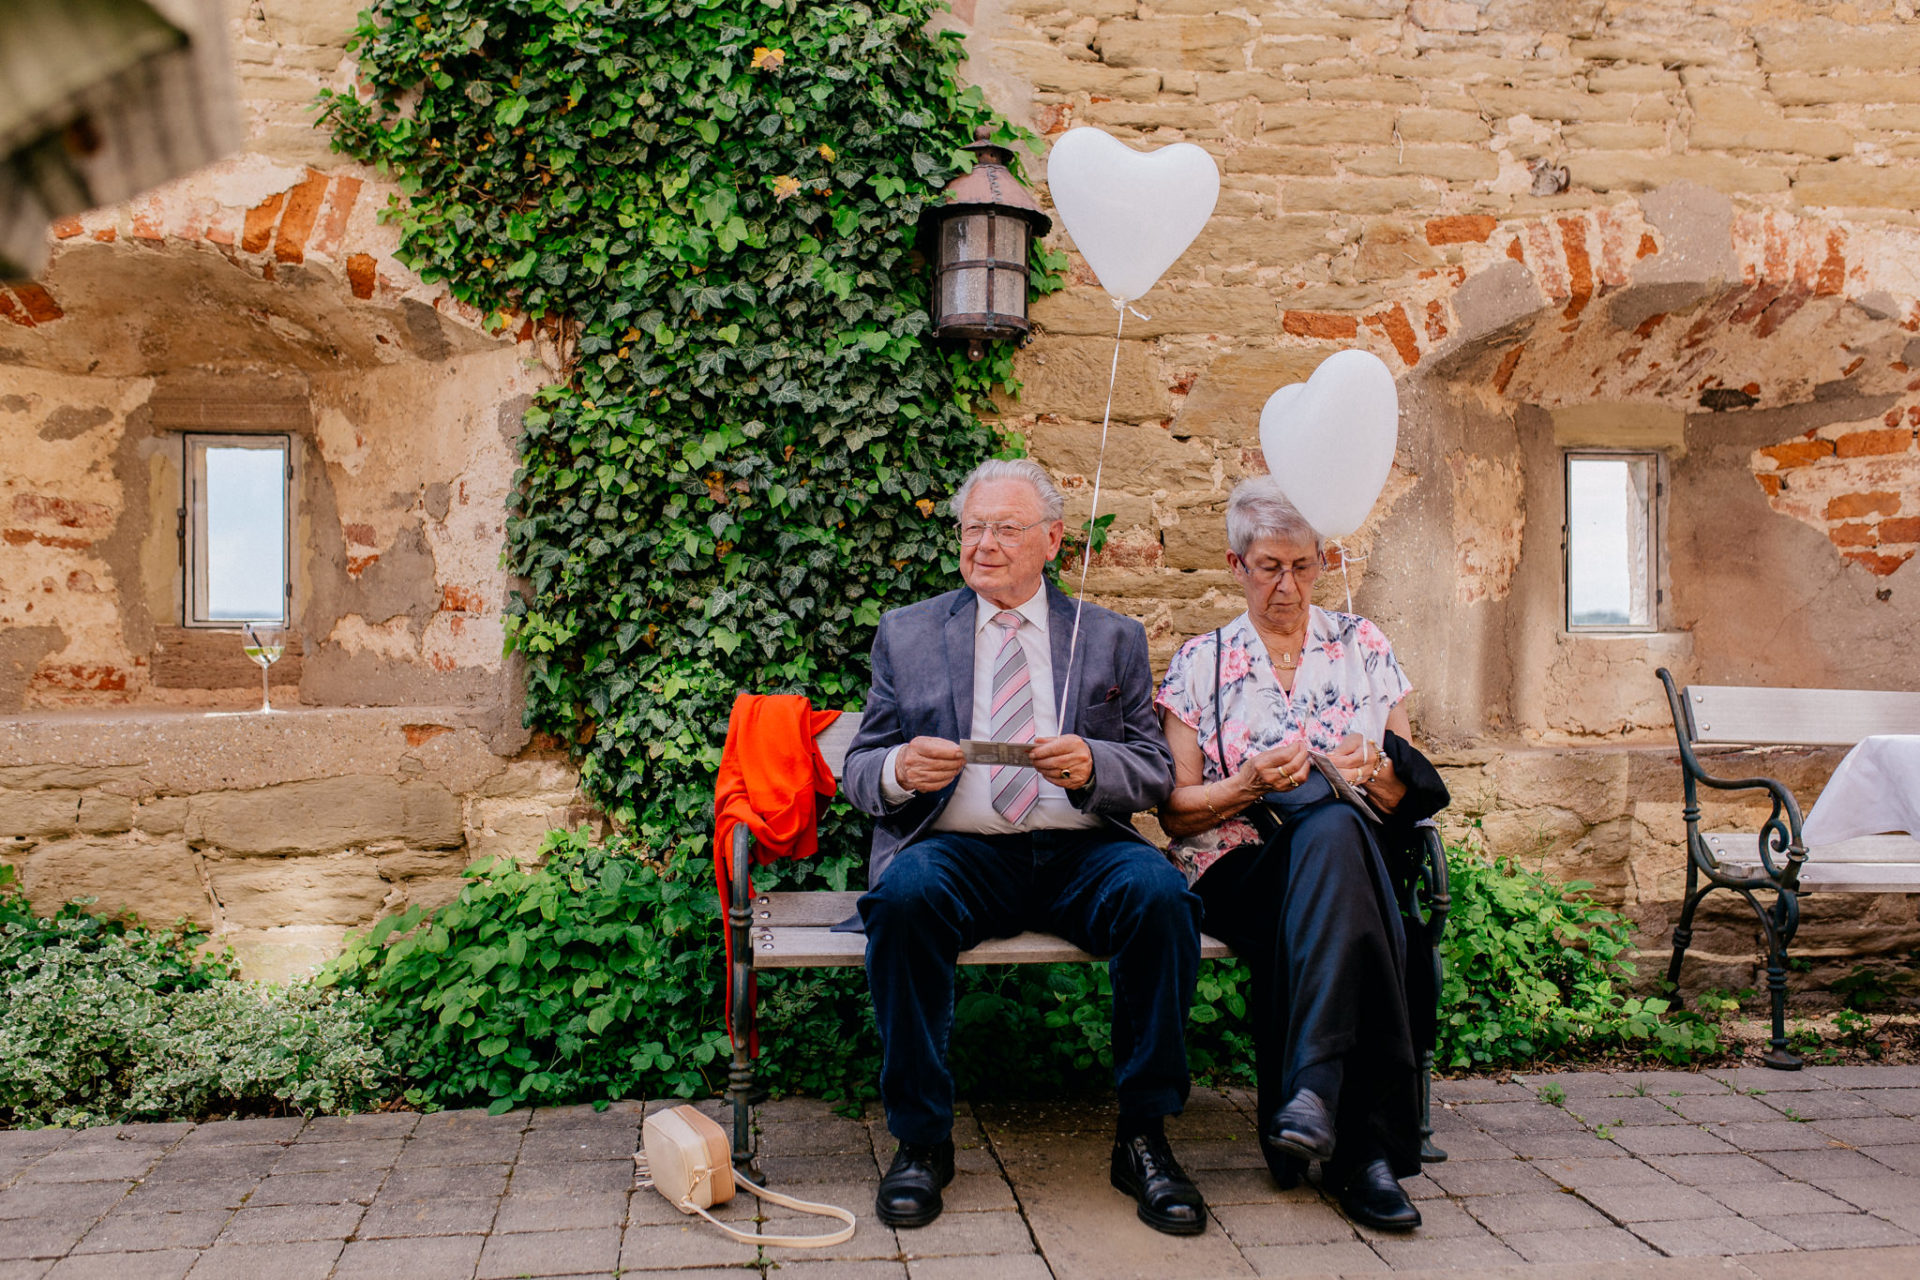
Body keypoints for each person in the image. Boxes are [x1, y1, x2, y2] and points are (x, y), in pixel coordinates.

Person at [843, 458, 1206, 1235]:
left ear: (1052, 539)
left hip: (1082, 851)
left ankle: (1144, 1137)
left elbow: (1151, 770)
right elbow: (859, 768)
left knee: (1162, 897)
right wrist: (901, 769)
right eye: (973, 528)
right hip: (961, 850)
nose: (984, 545)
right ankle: (921, 1141)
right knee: (902, 900)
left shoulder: (1111, 637)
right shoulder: (907, 633)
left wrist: (1092, 766)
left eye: (1005, 529)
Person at [1152, 476, 1449, 1233]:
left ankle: (1315, 1091)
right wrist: (1247, 784)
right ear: (1234, 563)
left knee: (1338, 828)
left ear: (1325, 561)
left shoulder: (1364, 646)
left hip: (1349, 859)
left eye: (1303, 567)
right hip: (1244, 869)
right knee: (1342, 849)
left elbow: (1403, 789)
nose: (1286, 586)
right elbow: (1176, 815)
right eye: (1267, 567)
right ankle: (1366, 1157)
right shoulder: (1201, 662)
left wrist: (1371, 771)